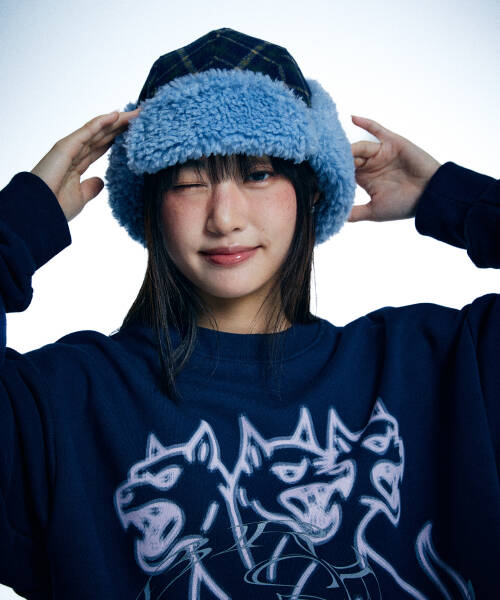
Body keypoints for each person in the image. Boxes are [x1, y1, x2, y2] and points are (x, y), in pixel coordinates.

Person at [0, 27, 498, 600]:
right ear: (151, 204)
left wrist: (453, 198)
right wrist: (19, 225)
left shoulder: (438, 365)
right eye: (188, 180)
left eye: (258, 173)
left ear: (312, 190)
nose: (225, 217)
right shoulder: (62, 402)